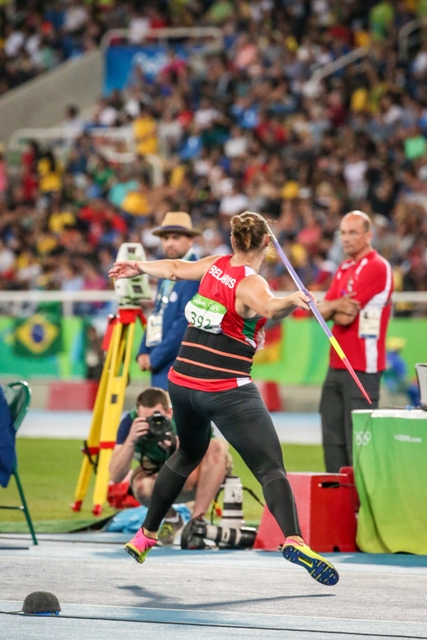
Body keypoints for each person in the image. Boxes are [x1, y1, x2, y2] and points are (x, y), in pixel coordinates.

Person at [109, 211, 339, 586]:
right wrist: (293, 300)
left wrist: (137, 266)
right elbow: (268, 307)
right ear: (267, 244)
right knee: (270, 469)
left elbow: (173, 269)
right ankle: (295, 540)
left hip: (182, 384)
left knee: (187, 455)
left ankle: (145, 535)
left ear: (233, 242)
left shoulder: (216, 264)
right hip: (224, 389)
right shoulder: (252, 283)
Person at [317, 210, 394, 473]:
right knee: (332, 440)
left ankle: (363, 498)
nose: (346, 238)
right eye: (342, 233)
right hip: (337, 364)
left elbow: (345, 315)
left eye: (353, 232)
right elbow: (321, 312)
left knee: (359, 443)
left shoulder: (377, 266)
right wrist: (334, 307)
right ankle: (338, 497)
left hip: (362, 367)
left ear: (369, 235)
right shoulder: (343, 268)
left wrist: (331, 307)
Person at [109, 387, 230, 546]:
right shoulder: (129, 423)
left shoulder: (185, 415)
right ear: (138, 415)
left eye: (157, 418)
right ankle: (172, 519)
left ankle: (196, 524)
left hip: (196, 478)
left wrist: (179, 448)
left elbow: (213, 454)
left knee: (217, 447)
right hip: (160, 478)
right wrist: (130, 440)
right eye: (145, 419)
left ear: (169, 413)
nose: (153, 424)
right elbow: (115, 476)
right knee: (141, 486)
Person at [136, 211, 201, 390]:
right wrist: (144, 350)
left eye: (175, 237)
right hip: (161, 367)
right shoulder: (164, 273)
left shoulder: (195, 274)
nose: (169, 243)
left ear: (191, 240)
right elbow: (157, 314)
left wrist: (154, 357)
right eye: (165, 238)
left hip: (181, 369)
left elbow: (185, 324)